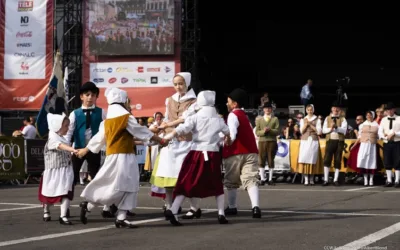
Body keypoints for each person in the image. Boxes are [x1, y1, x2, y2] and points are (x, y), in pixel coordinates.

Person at [77, 88, 167, 228]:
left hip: (112, 156)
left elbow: (98, 139)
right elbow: (141, 131)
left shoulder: (107, 121)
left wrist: (85, 150)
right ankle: (104, 210)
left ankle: (114, 214)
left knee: (115, 184)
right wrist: (160, 140)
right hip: (125, 157)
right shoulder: (126, 118)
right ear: (123, 101)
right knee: (126, 186)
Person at [163, 91, 231, 226]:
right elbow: (228, 133)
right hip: (213, 154)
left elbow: (183, 128)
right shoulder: (217, 119)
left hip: (196, 153)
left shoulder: (195, 117)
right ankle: (221, 213)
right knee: (217, 184)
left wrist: (168, 136)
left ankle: (174, 209)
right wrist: (227, 139)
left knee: (186, 182)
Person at [150, 72, 201, 219]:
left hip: (186, 142)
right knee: (168, 175)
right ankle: (170, 206)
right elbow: (166, 117)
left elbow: (185, 118)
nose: (178, 87)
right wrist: (159, 125)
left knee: (188, 177)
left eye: (181, 83)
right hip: (171, 142)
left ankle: (194, 207)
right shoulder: (169, 100)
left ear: (187, 83)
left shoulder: (194, 101)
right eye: (175, 84)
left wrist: (167, 125)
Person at [223, 88, 261, 218]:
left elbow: (232, 133)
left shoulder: (233, 115)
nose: (226, 104)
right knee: (251, 179)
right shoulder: (245, 116)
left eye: (228, 102)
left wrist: (228, 141)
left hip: (235, 152)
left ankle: (232, 207)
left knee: (231, 180)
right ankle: (255, 207)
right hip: (251, 152)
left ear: (234, 104)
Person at [38, 113, 77, 225]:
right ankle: (46, 211)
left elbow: (64, 146)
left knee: (66, 193)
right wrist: (72, 150)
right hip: (54, 172)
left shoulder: (62, 138)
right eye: (65, 125)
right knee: (50, 194)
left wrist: (72, 152)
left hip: (65, 170)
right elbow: (59, 146)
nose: (68, 128)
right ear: (57, 126)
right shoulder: (52, 139)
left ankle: (63, 216)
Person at [349, 111, 379, 186]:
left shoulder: (376, 125)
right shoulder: (362, 125)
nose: (369, 116)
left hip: (372, 145)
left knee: (372, 162)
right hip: (364, 145)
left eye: (370, 115)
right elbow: (359, 137)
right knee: (364, 161)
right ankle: (365, 179)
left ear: (373, 116)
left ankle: (371, 179)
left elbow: (379, 135)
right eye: (367, 115)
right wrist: (354, 145)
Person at [322, 101, 348, 186]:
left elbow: (344, 131)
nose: (335, 109)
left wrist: (336, 127)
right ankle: (326, 179)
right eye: (334, 108)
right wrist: (331, 128)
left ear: (339, 110)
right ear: (331, 109)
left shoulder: (343, 119)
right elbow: (324, 130)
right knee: (327, 159)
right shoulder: (327, 118)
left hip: (339, 141)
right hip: (330, 140)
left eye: (337, 108)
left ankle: (335, 179)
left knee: (338, 159)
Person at [255, 102, 280, 185]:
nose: (267, 110)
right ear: (263, 110)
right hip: (262, 141)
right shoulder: (259, 119)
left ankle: (270, 179)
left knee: (270, 159)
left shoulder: (275, 119)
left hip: (272, 141)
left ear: (271, 109)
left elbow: (277, 130)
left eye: (269, 108)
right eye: (266, 108)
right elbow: (257, 132)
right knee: (261, 159)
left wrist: (270, 130)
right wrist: (264, 131)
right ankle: (262, 178)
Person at [297, 104, 322, 186]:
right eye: (308, 110)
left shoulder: (317, 119)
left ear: (313, 110)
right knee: (304, 158)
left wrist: (311, 125)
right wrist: (306, 124)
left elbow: (319, 131)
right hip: (305, 140)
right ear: (306, 111)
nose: (310, 111)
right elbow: (301, 131)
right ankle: (306, 179)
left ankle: (311, 179)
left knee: (312, 159)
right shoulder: (303, 119)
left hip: (313, 140)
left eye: (311, 109)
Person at [378, 102, 400, 187]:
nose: (389, 111)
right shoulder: (383, 120)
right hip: (387, 143)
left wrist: (395, 133)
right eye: (388, 110)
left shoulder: (399, 118)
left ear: (394, 110)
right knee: (387, 161)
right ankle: (389, 180)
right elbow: (380, 131)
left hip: (397, 142)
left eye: (391, 109)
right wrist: (384, 136)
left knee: (397, 161)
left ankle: (397, 180)